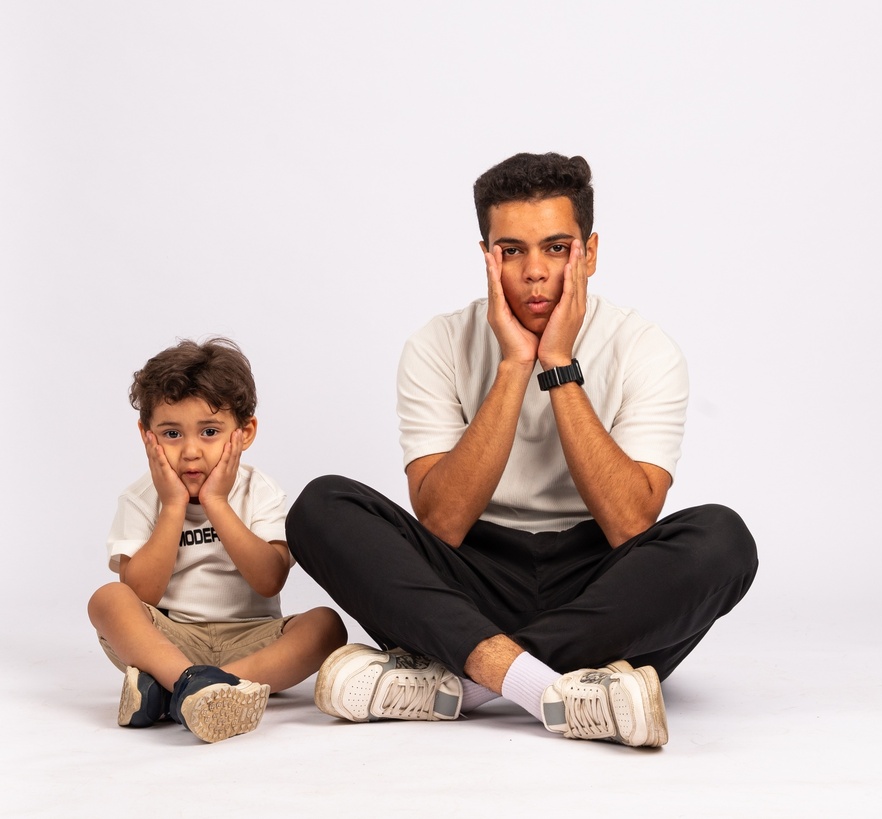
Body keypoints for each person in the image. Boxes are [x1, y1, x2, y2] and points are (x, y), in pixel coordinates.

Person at [286, 152, 758, 748]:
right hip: (468, 582)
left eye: (556, 248)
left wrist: (558, 364)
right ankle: (571, 687)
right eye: (512, 251)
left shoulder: (645, 348)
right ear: (487, 256)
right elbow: (442, 522)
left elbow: (631, 523)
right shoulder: (438, 343)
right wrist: (515, 364)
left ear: (589, 252)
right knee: (321, 506)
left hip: (599, 585)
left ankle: (471, 683)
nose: (535, 272)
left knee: (723, 538)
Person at [88, 338, 347, 743]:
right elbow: (142, 593)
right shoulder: (142, 497)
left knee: (327, 626)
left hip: (252, 641)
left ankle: (174, 689)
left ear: (244, 433)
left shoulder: (258, 491)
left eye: (209, 432)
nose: (191, 452)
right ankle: (187, 680)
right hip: (170, 638)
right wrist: (173, 506)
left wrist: (216, 502)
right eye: (171, 433)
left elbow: (269, 580)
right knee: (108, 599)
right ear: (146, 435)